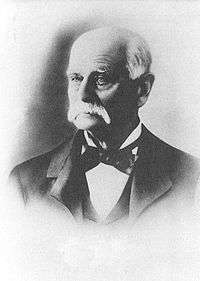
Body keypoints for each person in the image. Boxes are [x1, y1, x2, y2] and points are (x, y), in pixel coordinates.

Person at [10, 26, 200, 225]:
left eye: (101, 79)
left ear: (142, 90)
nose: (82, 95)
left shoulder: (192, 178)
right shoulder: (23, 182)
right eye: (76, 78)